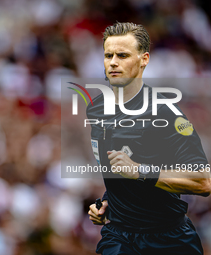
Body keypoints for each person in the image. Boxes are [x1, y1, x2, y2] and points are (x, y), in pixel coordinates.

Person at [87, 22, 211, 255]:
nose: (113, 62)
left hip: (168, 239)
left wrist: (141, 171)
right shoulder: (97, 110)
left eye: (123, 55)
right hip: (118, 236)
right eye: (108, 55)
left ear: (144, 59)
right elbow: (118, 169)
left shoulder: (166, 114)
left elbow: (203, 182)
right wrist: (107, 202)